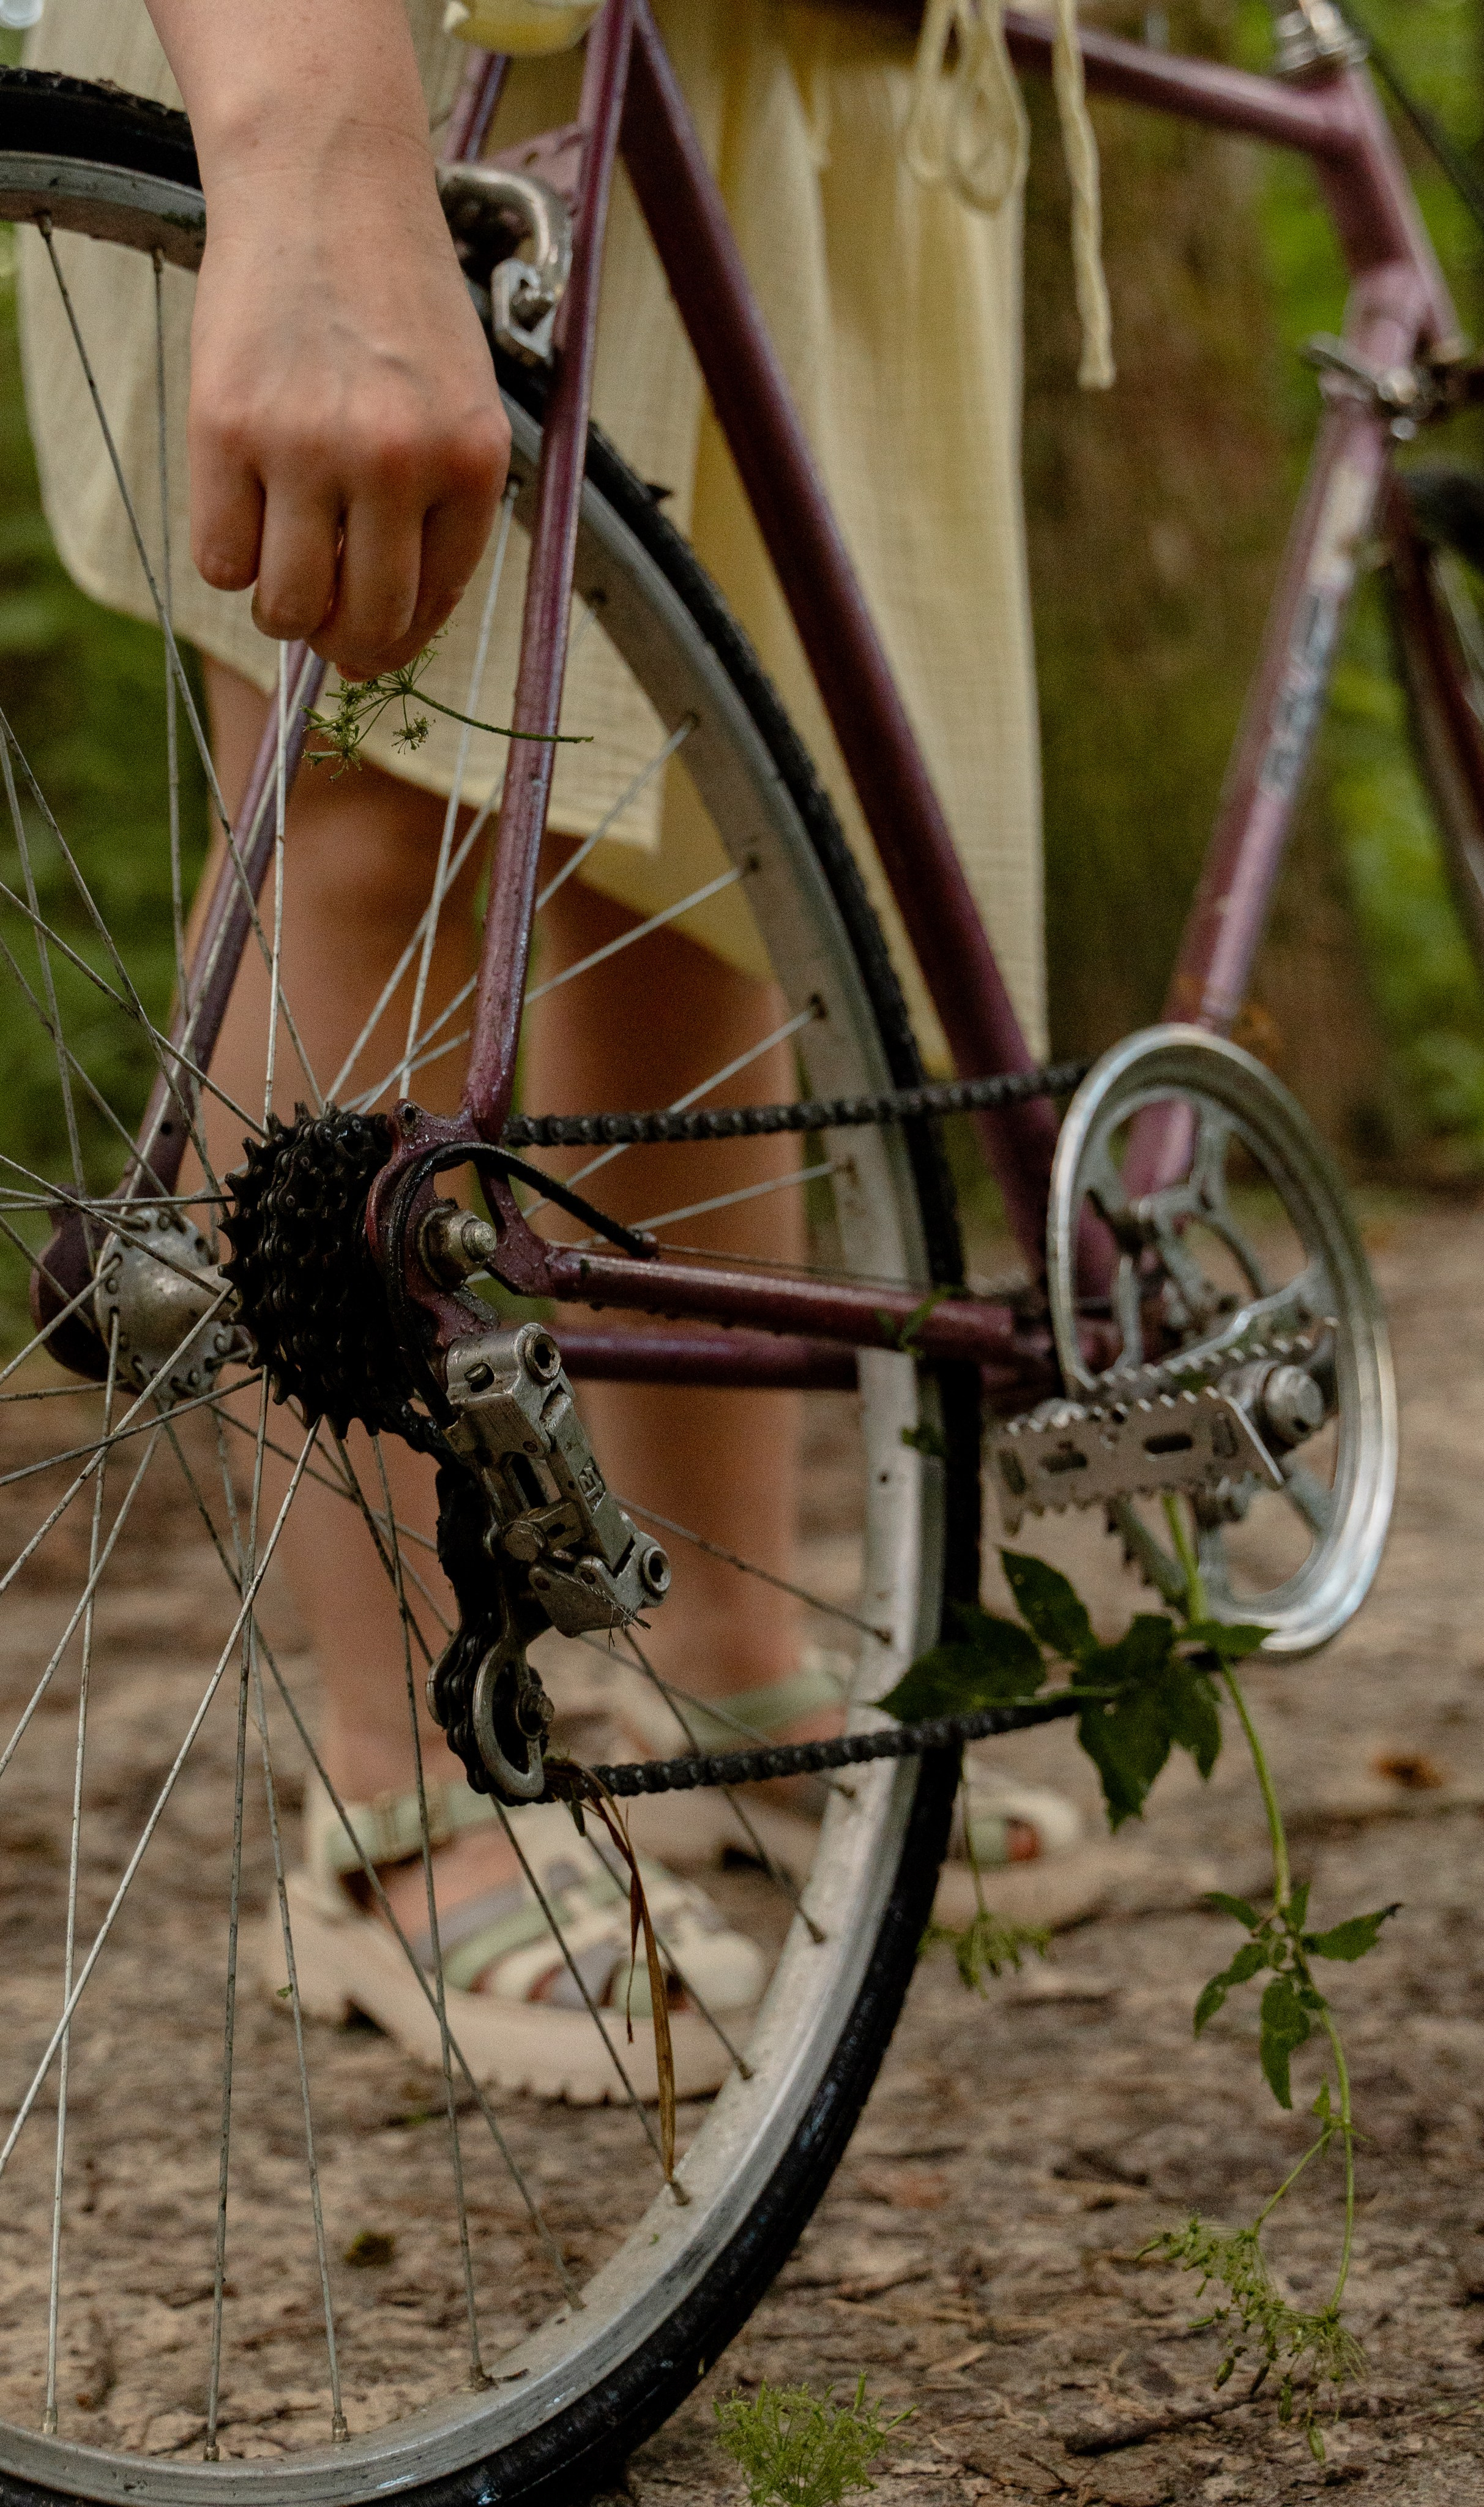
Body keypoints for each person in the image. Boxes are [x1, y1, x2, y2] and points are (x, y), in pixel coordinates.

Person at [19, 0, 1084, 2096]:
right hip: (406, 33)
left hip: (790, 69)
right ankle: (406, 1790)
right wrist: (314, 137)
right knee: (373, 772)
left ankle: (720, 1668)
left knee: (700, 815)